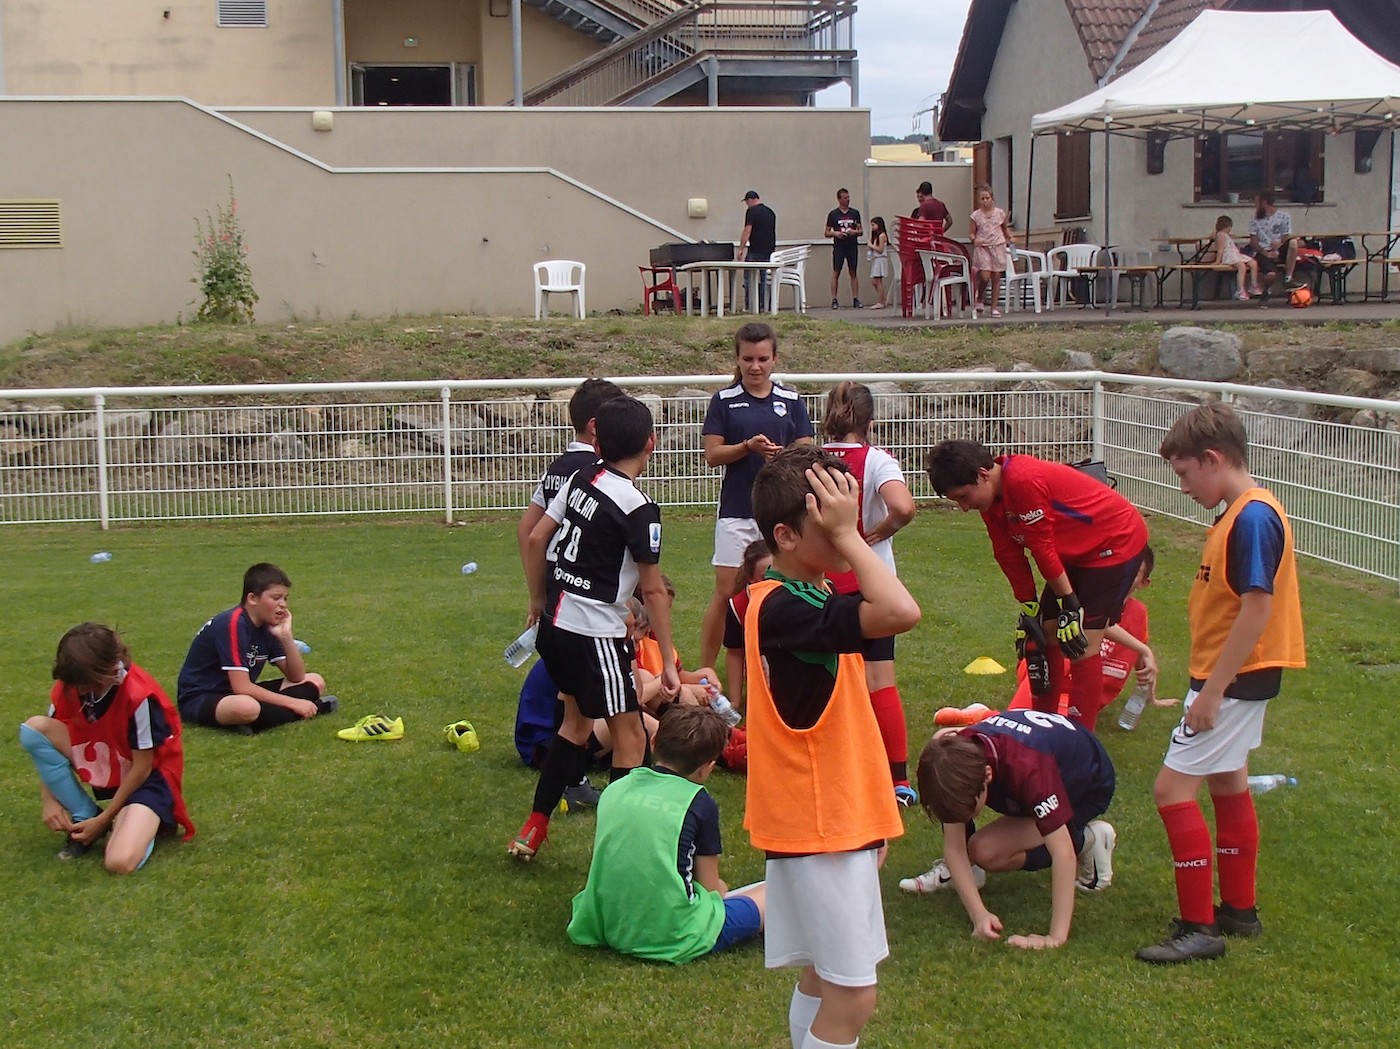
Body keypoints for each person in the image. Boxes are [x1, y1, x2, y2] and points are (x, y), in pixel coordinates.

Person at [744, 445, 920, 1049]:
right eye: (832, 518)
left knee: (824, 978)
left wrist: (872, 819)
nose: (850, 525)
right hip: (821, 828)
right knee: (853, 995)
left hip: (831, 821)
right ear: (786, 536)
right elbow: (900, 610)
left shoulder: (807, 596)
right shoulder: (785, 608)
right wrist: (851, 538)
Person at [1136, 402, 1305, 965]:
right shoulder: (1241, 513)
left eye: (1185, 473)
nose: (1183, 486)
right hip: (1234, 678)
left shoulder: (1252, 518)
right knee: (1228, 782)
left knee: (1171, 791)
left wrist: (1211, 692)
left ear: (1212, 459)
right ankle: (1238, 909)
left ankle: (1199, 928)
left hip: (1230, 682)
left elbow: (1257, 609)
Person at [509, 395, 681, 860]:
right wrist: (668, 661)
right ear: (651, 443)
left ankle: (534, 828)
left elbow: (537, 537)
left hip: (555, 624)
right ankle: (619, 854)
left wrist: (537, 598)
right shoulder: (639, 507)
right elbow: (653, 589)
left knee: (576, 723)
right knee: (631, 738)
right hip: (593, 634)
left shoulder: (581, 476)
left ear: (597, 442)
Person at [925, 441, 1150, 738]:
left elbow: (1041, 547)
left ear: (983, 474)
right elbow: (1008, 554)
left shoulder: (1023, 480)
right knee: (1044, 633)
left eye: (964, 497)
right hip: (1077, 553)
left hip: (1115, 544)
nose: (964, 508)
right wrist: (1029, 606)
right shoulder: (991, 499)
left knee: (1081, 641)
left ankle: (1080, 739)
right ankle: (1042, 725)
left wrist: (1070, 603)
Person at [899, 709, 1116, 951]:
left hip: (1086, 783)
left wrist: (1055, 937)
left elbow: (1062, 853)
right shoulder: (948, 755)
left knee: (989, 850)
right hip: (1045, 758)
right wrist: (979, 914)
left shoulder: (1028, 768)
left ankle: (1087, 839)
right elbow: (954, 847)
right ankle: (971, 873)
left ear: (987, 776)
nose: (962, 819)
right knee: (981, 850)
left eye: (969, 810)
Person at [567, 706, 766, 963]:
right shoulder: (698, 802)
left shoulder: (616, 788)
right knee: (773, 893)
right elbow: (710, 888)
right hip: (671, 932)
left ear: (653, 742)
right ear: (707, 768)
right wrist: (720, 889)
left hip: (607, 923)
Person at [513, 377, 623, 807]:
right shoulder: (599, 472)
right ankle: (580, 777)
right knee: (593, 697)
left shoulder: (557, 467)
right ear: (597, 426)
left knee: (568, 688)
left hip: (556, 589)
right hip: (587, 594)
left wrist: (537, 594)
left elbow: (528, 531)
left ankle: (566, 779)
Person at [19, 623, 195, 871]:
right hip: (107, 756)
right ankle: (85, 814)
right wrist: (49, 799)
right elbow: (49, 740)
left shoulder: (139, 695)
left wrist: (105, 819)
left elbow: (142, 768)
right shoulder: (72, 684)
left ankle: (143, 818)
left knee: (119, 862)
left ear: (106, 669)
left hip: (148, 779)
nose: (79, 690)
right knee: (35, 729)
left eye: (85, 683)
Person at [820, 381, 918, 805]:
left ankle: (837, 767)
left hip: (823, 585)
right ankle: (897, 779)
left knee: (829, 678)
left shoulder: (811, 459)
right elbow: (904, 506)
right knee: (880, 679)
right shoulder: (877, 459)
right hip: (871, 586)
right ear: (870, 422)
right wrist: (883, 531)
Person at [697, 322, 814, 675]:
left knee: (783, 589)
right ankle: (706, 671)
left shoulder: (791, 401)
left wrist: (782, 457)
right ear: (737, 358)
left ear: (775, 359)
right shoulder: (724, 401)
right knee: (726, 593)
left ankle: (780, 667)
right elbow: (712, 454)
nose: (755, 366)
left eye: (763, 359)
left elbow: (806, 453)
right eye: (748, 359)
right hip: (737, 511)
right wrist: (748, 447)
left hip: (779, 512)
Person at [1007, 547, 1177, 730]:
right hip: (1051, 674)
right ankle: (995, 717)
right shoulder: (1088, 598)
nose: (1120, 575)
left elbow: (1142, 662)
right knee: (1029, 726)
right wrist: (1143, 649)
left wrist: (1151, 697)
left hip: (1081, 694)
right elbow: (1095, 623)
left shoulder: (1138, 613)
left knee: (1056, 730)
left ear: (1143, 582)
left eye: (1131, 572)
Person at [176, 562, 334, 734]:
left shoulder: (268, 624)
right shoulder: (233, 623)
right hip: (202, 697)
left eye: (285, 598)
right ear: (252, 599)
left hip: (237, 694)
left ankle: (260, 719)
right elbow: (242, 687)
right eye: (276, 598)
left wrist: (286, 637)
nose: (283, 604)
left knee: (315, 681)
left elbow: (296, 677)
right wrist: (294, 703)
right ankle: (305, 710)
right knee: (247, 707)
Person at [722, 538, 772, 710]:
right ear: (751, 579)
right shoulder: (739, 606)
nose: (774, 581)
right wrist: (734, 701)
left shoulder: (799, 599)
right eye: (765, 577)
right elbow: (735, 653)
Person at [969, 184, 1012, 317]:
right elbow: (971, 233)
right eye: (982, 198)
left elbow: (1005, 228)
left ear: (992, 198)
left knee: (996, 276)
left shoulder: (1000, 213)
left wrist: (1010, 237)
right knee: (985, 275)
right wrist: (974, 239)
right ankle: (979, 297)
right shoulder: (975, 216)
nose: (985, 201)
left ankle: (994, 307)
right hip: (983, 247)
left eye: (987, 198)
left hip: (997, 245)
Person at [1247, 192, 1302, 294]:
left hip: (1279, 250)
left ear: (1264, 203)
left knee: (1293, 243)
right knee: (1270, 275)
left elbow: (1286, 237)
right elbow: (1253, 242)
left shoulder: (1284, 217)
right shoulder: (1254, 220)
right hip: (1263, 251)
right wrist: (1265, 252)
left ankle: (1288, 278)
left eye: (1256, 203)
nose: (1255, 206)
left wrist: (1280, 245)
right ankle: (1265, 292)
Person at [737, 189, 778, 312]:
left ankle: (749, 305)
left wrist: (741, 248)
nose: (747, 205)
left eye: (747, 202)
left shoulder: (751, 211)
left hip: (755, 250)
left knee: (749, 278)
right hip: (769, 250)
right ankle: (766, 305)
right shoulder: (770, 212)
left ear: (750, 200)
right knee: (765, 279)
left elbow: (747, 230)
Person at [825, 187, 864, 309]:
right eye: (845, 198)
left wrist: (853, 232)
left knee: (853, 272)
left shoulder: (855, 213)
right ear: (839, 199)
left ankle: (856, 298)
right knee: (836, 271)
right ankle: (834, 299)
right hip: (839, 247)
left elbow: (861, 230)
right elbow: (826, 232)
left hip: (852, 246)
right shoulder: (833, 214)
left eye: (848, 197)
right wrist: (836, 234)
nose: (848, 200)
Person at [1207, 215, 1263, 301]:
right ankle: (1240, 290)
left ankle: (1254, 285)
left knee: (1253, 263)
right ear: (1228, 227)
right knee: (1241, 266)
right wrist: (1218, 261)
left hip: (1235, 255)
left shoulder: (1224, 234)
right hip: (1228, 256)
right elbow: (1220, 249)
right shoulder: (1221, 235)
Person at [866, 217, 890, 309]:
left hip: (880, 259)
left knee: (878, 280)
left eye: (873, 225)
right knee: (874, 281)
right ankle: (882, 299)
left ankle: (881, 302)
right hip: (876, 259)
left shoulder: (882, 236)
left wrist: (871, 245)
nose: (872, 227)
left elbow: (880, 250)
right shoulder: (876, 236)